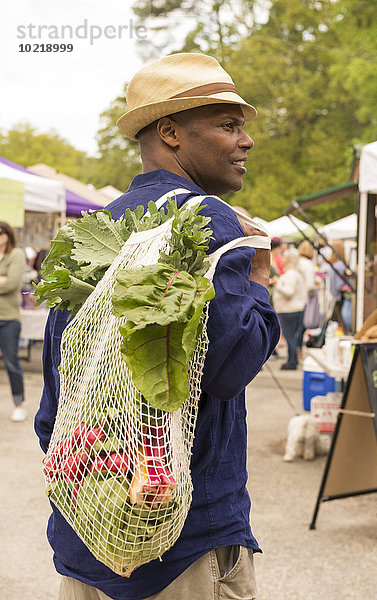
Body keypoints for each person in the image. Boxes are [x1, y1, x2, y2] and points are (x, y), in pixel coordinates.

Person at [34, 53, 281, 600]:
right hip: (182, 545)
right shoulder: (206, 220)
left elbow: (53, 404)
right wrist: (260, 276)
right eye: (228, 125)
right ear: (170, 133)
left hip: (90, 536)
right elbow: (232, 364)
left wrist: (101, 490)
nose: (247, 141)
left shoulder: (94, 230)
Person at [0, 221, 27, 422]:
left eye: (1, 233)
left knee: (11, 363)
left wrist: (5, 280)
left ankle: (19, 404)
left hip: (8, 319)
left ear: (8, 235)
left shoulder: (16, 254)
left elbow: (12, 284)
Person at [273, 248, 307, 370]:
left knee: (290, 337)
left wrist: (278, 284)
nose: (282, 260)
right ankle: (292, 360)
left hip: (288, 310)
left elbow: (289, 291)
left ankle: (292, 361)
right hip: (294, 309)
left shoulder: (290, 275)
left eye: (284, 258)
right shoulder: (296, 274)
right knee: (292, 336)